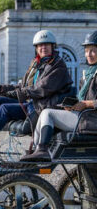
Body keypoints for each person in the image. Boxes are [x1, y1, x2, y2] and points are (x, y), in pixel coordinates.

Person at [0, 30, 72, 151]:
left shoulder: (58, 66)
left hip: (40, 108)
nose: (43, 47)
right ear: (36, 48)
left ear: (52, 46)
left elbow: (40, 89)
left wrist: (16, 93)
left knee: (4, 109)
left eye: (46, 44)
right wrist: (3, 88)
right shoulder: (36, 64)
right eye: (40, 45)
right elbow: (23, 86)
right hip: (32, 104)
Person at [22, 31, 97, 161]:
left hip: (91, 120)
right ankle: (35, 149)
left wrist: (86, 104)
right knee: (46, 112)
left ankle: (42, 150)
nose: (88, 54)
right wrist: (73, 105)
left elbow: (86, 102)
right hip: (83, 116)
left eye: (93, 51)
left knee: (47, 114)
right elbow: (81, 99)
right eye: (86, 51)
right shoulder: (89, 73)